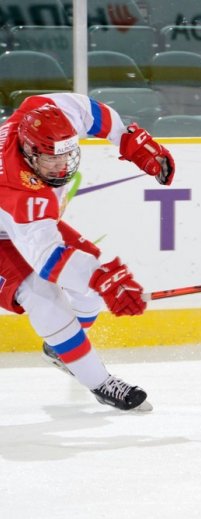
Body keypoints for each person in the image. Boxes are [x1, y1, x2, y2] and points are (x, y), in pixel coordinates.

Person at [0, 93, 175, 411]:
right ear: (28, 152)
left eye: (67, 153)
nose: (62, 164)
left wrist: (127, 140)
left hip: (18, 224)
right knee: (41, 295)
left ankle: (61, 350)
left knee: (90, 284)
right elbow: (48, 259)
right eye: (51, 158)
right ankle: (100, 382)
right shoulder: (18, 188)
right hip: (10, 228)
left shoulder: (44, 113)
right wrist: (101, 279)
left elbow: (91, 112)